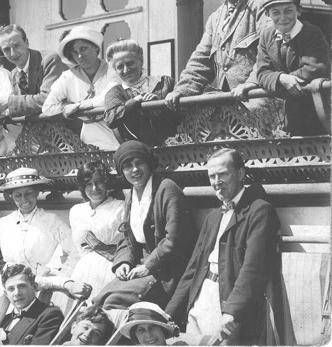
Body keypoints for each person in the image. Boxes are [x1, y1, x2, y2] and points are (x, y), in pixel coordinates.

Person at [165, 148, 280, 344]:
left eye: (223, 174)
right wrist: (168, 313)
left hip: (227, 302)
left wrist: (231, 312)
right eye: (212, 176)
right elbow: (193, 268)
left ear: (241, 173)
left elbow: (253, 269)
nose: (217, 182)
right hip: (200, 299)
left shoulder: (260, 211)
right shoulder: (213, 216)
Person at [164, 0, 282, 130]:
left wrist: (251, 84)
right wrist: (182, 90)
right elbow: (200, 61)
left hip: (263, 106)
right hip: (229, 116)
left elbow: (271, 50)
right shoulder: (216, 18)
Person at [94, 141, 196, 310]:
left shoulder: (166, 189)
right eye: (127, 166)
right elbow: (126, 237)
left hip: (165, 271)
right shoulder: (131, 196)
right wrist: (122, 262)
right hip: (138, 267)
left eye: (139, 162)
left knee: (114, 302)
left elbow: (175, 239)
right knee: (98, 302)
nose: (135, 170)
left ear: (149, 164)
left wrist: (148, 266)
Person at [0, 167, 86, 297]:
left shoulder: (52, 221)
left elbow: (75, 252)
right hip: (9, 286)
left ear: (37, 192)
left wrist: (62, 276)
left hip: (40, 285)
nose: (24, 200)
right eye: (18, 195)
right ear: (11, 196)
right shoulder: (4, 223)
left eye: (28, 193)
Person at [251, 0, 330, 136]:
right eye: (276, 13)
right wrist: (282, 78)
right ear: (267, 14)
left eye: (288, 11)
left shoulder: (312, 33)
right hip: (285, 116)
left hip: (317, 109)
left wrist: (277, 81)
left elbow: (315, 68)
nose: (282, 18)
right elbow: (262, 73)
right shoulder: (266, 36)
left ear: (298, 11)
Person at [43, 25, 121, 150]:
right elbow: (47, 108)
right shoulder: (67, 77)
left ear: (96, 47)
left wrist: (78, 106)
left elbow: (108, 98)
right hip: (89, 138)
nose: (80, 56)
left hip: (116, 132)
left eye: (83, 49)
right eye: (74, 52)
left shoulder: (112, 69)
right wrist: (64, 106)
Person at [104, 39, 181, 145]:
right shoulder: (115, 92)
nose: (126, 70)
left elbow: (182, 114)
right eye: (120, 67)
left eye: (130, 63)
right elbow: (110, 119)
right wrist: (135, 101)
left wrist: (159, 104)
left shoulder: (164, 83)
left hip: (174, 146)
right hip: (139, 152)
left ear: (141, 61)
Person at [68, 161, 124, 301]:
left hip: (111, 268)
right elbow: (78, 247)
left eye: (99, 182)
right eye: (88, 184)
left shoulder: (120, 208)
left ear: (106, 183)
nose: (94, 188)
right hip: (83, 271)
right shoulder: (76, 211)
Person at [0, 24, 68, 117]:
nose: (13, 53)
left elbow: (48, 100)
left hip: (64, 127)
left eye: (16, 46)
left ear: (27, 42)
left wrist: (10, 103)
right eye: (6, 50)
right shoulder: (14, 74)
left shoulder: (50, 60)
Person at [0, 263, 64, 345]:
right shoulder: (4, 319)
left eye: (22, 286)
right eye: (11, 289)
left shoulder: (50, 315)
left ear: (34, 287)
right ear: (6, 294)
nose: (17, 293)